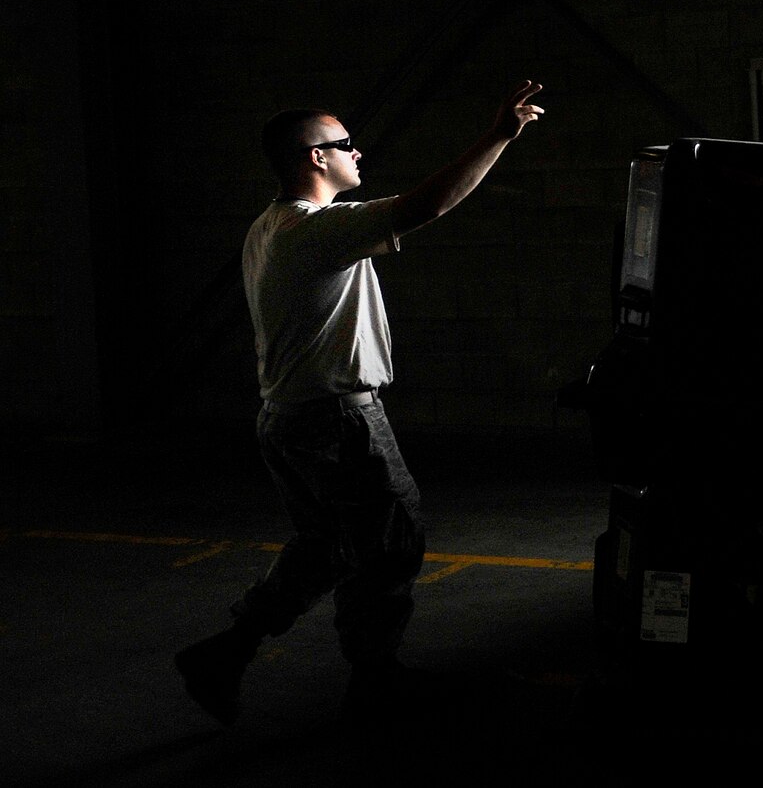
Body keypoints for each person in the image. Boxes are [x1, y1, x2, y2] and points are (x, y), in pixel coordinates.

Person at [174, 79, 546, 730]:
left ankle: (226, 651)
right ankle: (376, 681)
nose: (358, 153)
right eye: (345, 144)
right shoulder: (314, 230)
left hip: (286, 417)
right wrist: (498, 136)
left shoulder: (269, 226)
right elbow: (423, 206)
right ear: (315, 157)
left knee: (329, 546)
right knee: (392, 539)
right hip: (336, 416)